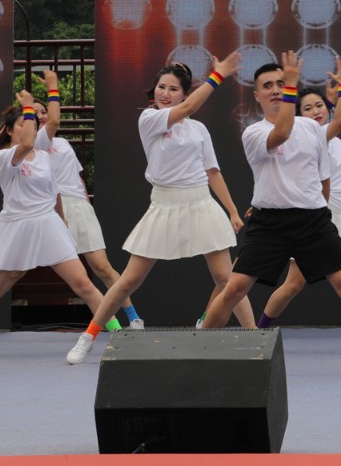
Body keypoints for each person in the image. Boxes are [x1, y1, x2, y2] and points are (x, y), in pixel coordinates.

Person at [65, 53, 250, 365]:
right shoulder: (149, 119)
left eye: (174, 89)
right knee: (128, 280)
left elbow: (212, 172)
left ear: (185, 93)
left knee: (226, 278)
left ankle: (255, 337)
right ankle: (89, 336)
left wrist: (231, 211)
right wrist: (218, 75)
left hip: (201, 204)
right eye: (161, 87)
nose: (165, 93)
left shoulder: (198, 129)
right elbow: (189, 109)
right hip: (163, 205)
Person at [198, 53, 341, 331]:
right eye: (268, 86)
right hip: (269, 225)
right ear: (257, 95)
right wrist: (292, 85)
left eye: (281, 84)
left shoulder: (312, 128)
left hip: (313, 223)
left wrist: (318, 212)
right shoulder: (253, 132)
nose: (275, 90)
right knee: (234, 288)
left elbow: (324, 179)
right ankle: (200, 350)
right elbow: (282, 133)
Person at [0, 71, 142, 334]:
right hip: (45, 211)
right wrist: (53, 87)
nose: (40, 116)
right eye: (35, 113)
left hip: (75, 207)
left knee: (100, 268)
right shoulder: (36, 141)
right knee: (13, 272)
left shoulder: (60, 144)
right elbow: (54, 120)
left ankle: (132, 319)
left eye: (42, 112)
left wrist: (83, 203)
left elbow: (76, 178)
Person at [0, 92, 118, 353]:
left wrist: (62, 222)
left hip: (48, 225)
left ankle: (118, 335)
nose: (30, 127)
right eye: (23, 123)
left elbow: (55, 193)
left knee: (84, 285)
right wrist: (29, 107)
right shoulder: (3, 157)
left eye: (31, 123)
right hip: (14, 227)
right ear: (9, 130)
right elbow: (28, 143)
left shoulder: (44, 157)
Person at [243, 76, 341, 329]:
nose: (315, 112)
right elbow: (340, 121)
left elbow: (333, 119)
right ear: (298, 116)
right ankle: (260, 332)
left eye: (319, 106)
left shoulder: (333, 139)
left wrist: (331, 99)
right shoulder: (312, 134)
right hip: (314, 221)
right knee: (292, 285)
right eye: (307, 108)